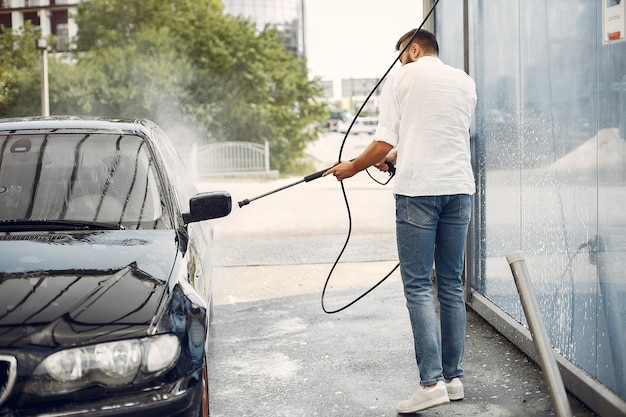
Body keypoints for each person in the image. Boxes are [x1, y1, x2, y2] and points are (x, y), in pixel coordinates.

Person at [323, 28, 477, 414]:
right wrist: (393, 158)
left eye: (401, 55)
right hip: (459, 190)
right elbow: (434, 137)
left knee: (419, 288)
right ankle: (453, 379)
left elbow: (383, 139)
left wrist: (353, 168)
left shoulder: (403, 76)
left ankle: (430, 384)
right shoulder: (465, 81)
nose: (399, 62)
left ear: (413, 49)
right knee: (451, 285)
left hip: (419, 195)